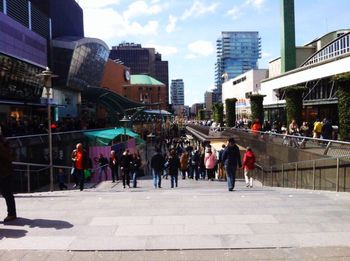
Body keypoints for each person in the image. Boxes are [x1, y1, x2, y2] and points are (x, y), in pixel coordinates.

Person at [0, 134, 17, 222]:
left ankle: (12, 214)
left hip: (4, 172)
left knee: (7, 193)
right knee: (7, 193)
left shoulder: (2, 143)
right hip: (5, 171)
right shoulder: (4, 141)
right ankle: (12, 213)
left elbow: (7, 156)